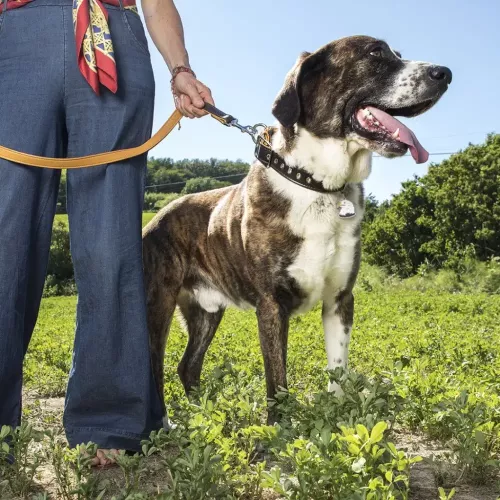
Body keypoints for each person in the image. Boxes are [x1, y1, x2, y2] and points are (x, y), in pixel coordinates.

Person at [0, 0, 213, 466]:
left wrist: (180, 69)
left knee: (109, 244)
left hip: (111, 34)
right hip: (15, 37)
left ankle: (109, 419)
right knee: (5, 242)